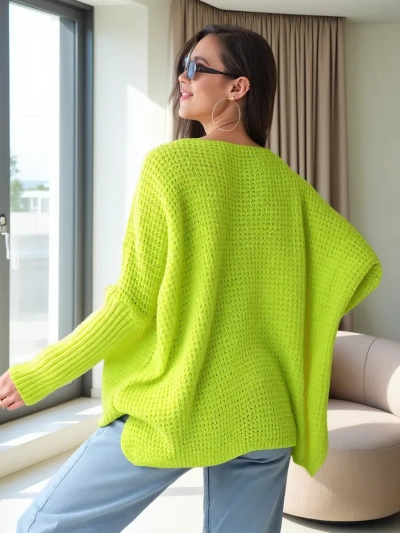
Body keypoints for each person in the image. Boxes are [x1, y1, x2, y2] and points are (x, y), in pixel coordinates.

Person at [0, 24, 382, 533]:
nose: (183, 77)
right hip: (265, 414)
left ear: (238, 86)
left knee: (41, 527)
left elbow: (132, 303)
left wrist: (42, 373)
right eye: (183, 66)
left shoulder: (170, 166)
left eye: (197, 67)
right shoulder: (290, 187)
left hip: (176, 408)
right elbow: (358, 266)